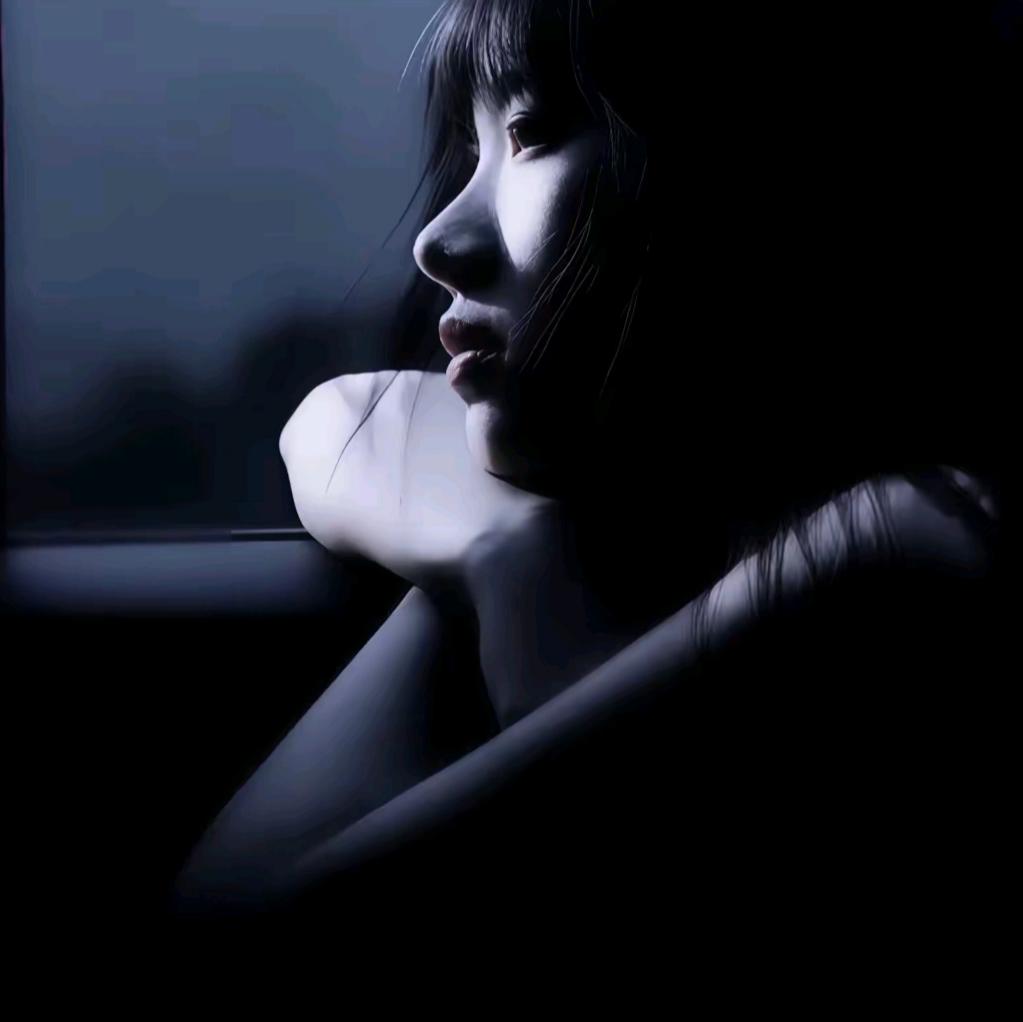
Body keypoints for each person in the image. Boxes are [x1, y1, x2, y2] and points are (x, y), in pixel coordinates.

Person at [170, 0, 1014, 961]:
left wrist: (515, 581)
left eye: (528, 133)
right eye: (471, 148)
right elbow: (339, 418)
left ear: (741, 159)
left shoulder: (907, 544)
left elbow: (235, 931)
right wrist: (511, 553)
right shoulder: (605, 514)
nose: (435, 240)